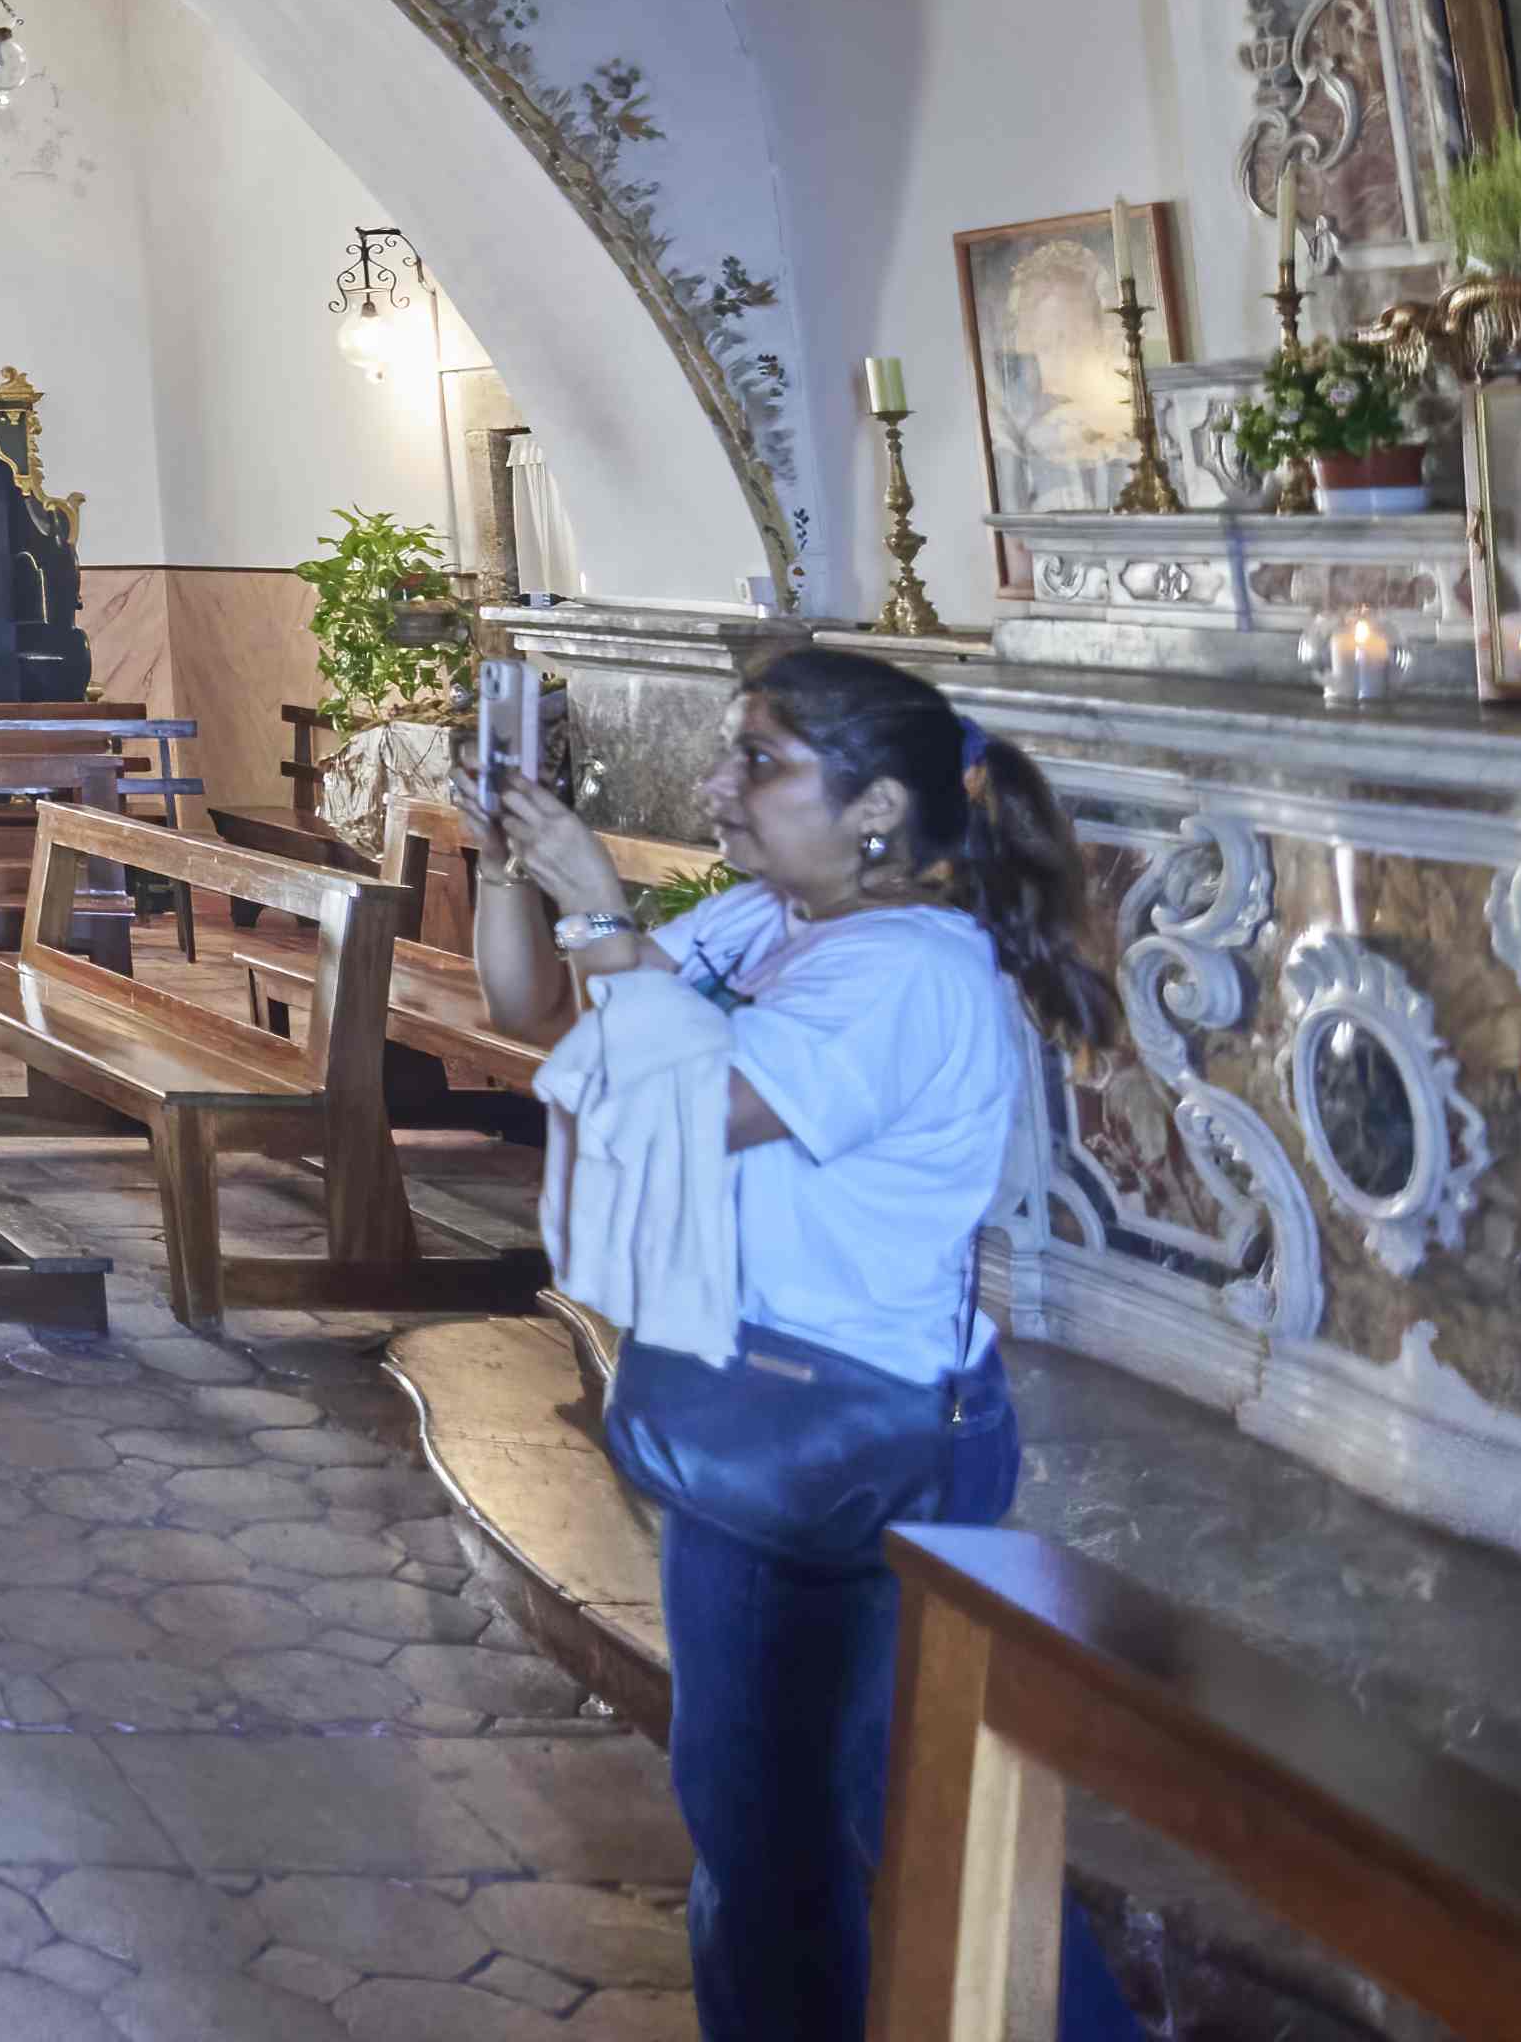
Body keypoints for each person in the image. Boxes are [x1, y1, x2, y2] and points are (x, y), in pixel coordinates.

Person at [473, 649, 1145, 2042]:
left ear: (877, 809)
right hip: (759, 1411)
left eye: (762, 760)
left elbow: (692, 1103)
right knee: (763, 1825)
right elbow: (526, 1007)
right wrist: (506, 868)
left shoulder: (910, 970)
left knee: (891, 1827)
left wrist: (599, 906)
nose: (720, 784)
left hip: (856, 1435)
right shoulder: (766, 919)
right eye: (733, 752)